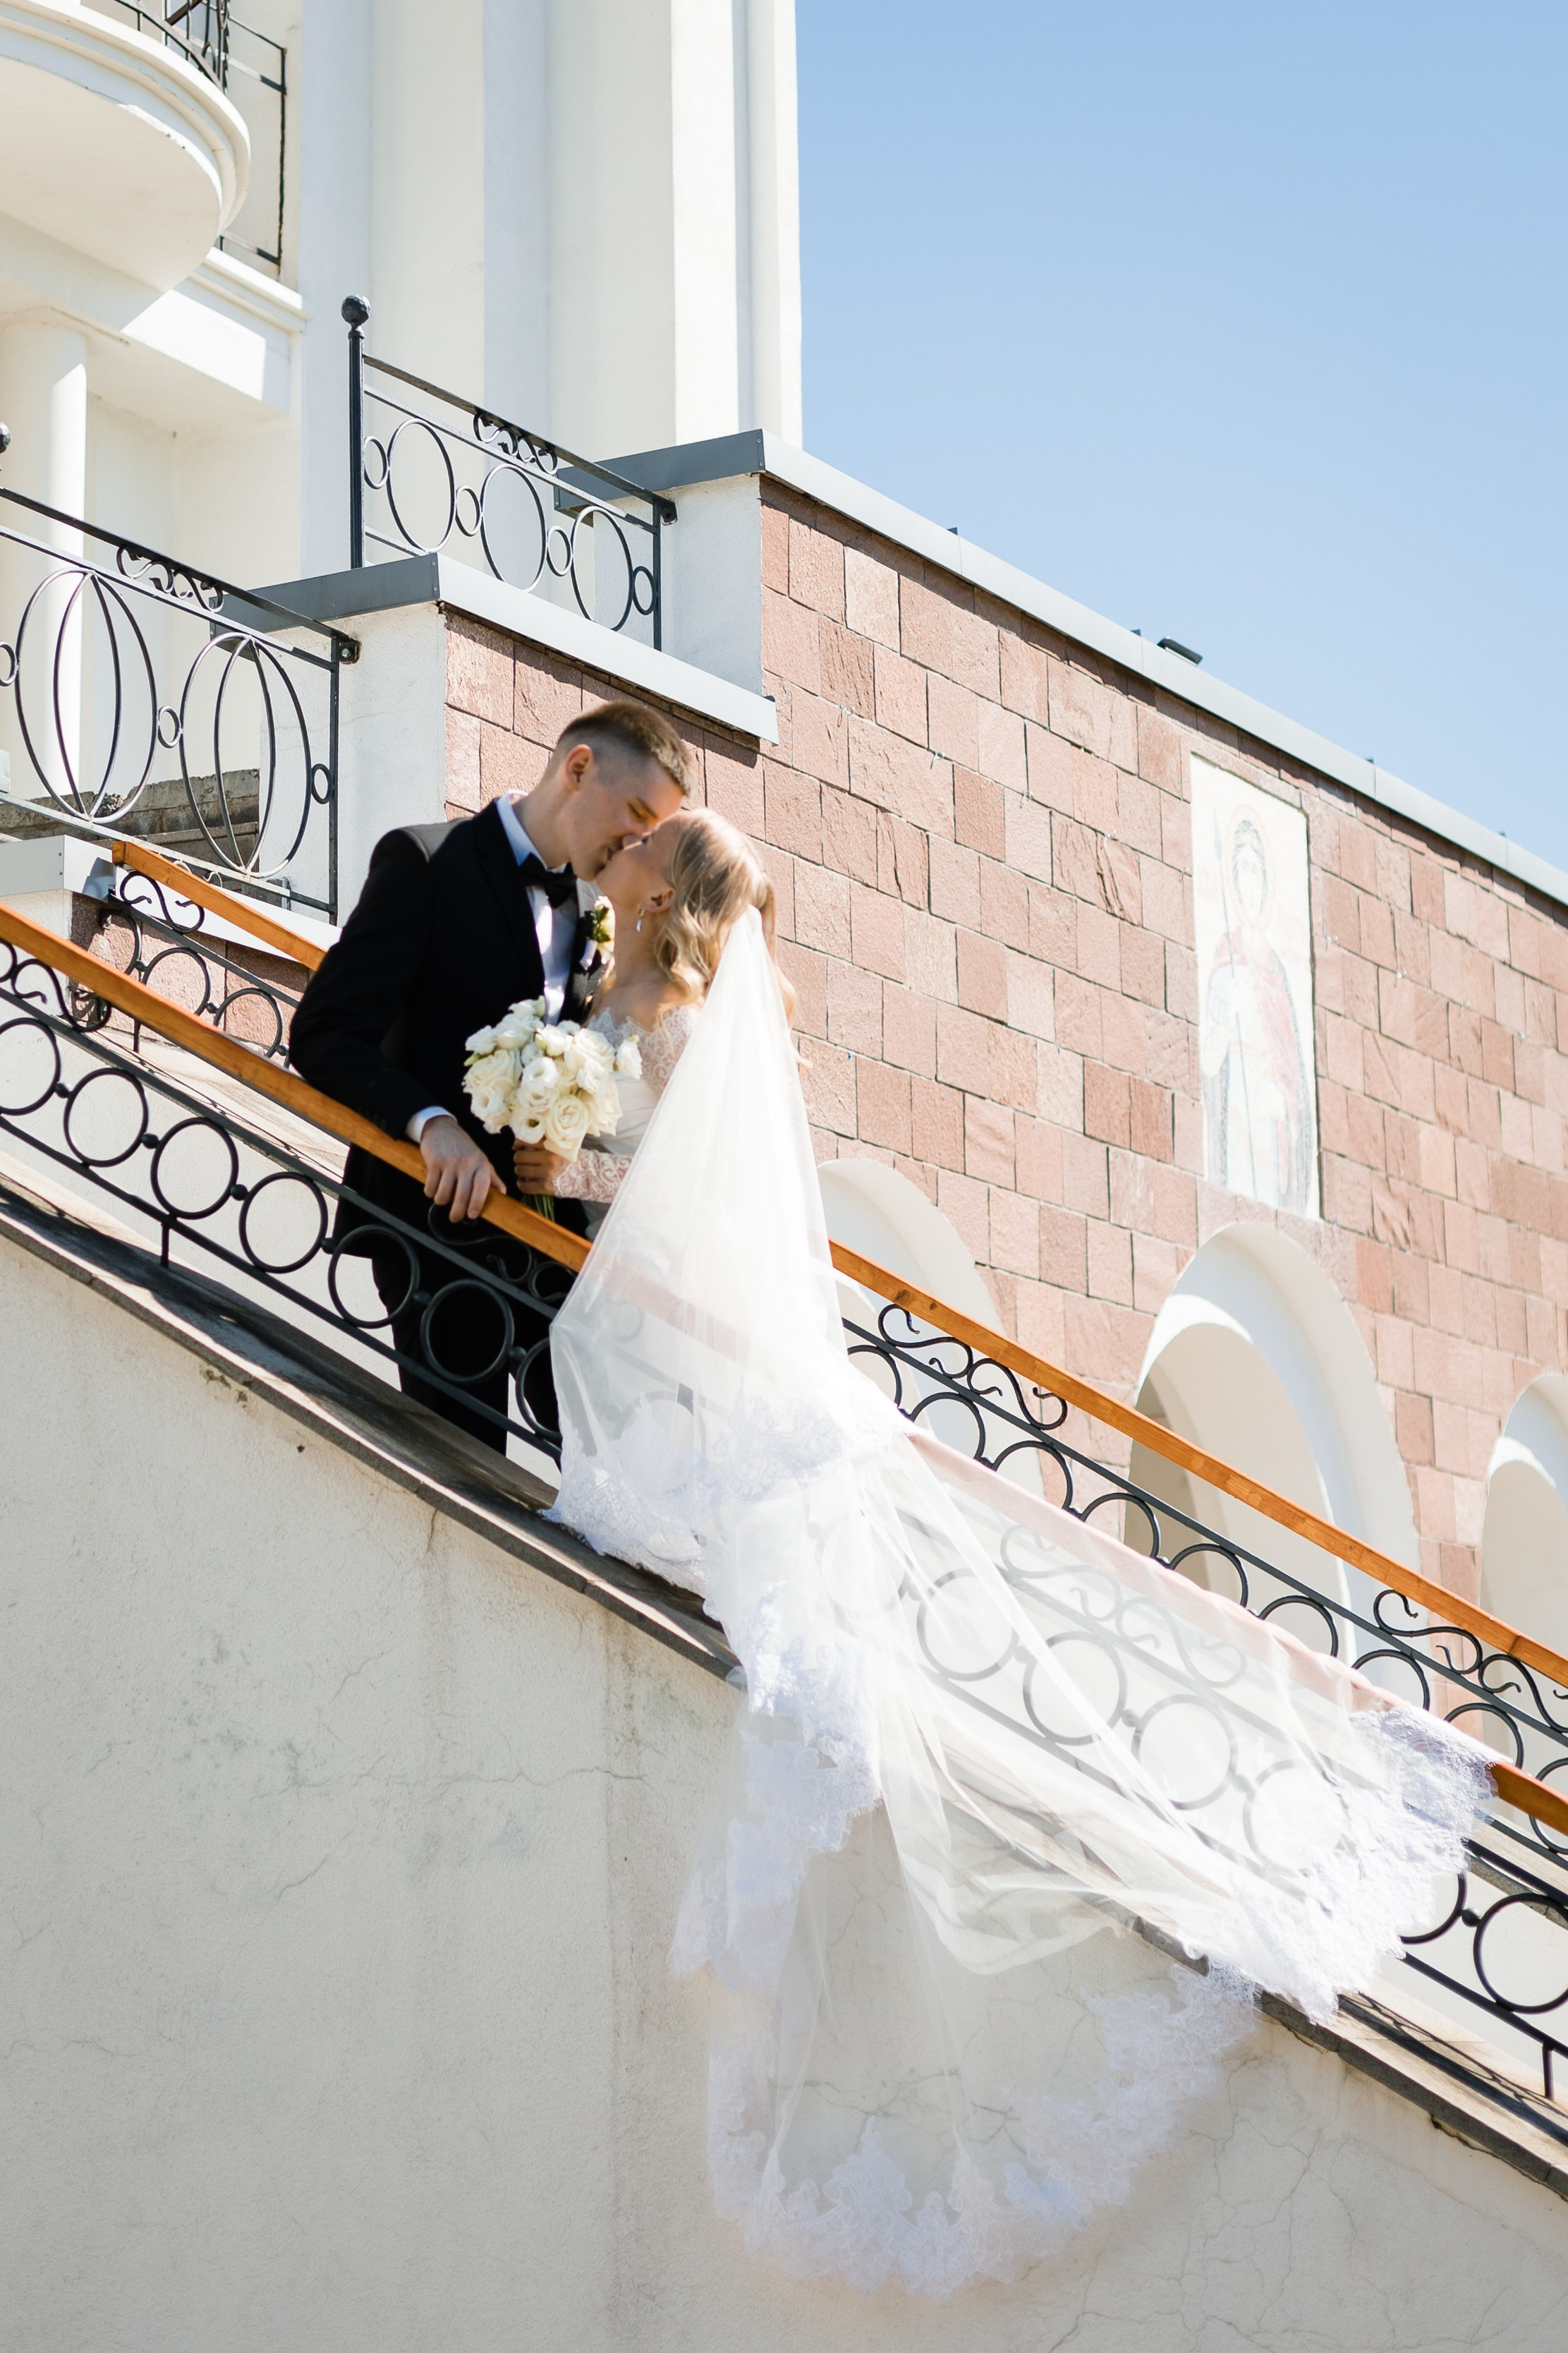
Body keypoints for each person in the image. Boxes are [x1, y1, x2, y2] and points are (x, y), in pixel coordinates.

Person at [541, 868, 1493, 2297]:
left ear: (666, 895)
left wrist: (547, 1125)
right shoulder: (691, 1009)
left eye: (638, 850)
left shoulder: (667, 1025)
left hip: (680, 1354)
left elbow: (652, 1197)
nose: (613, 866)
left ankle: (1316, 1787)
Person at [288, 699, 689, 1448]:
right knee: (464, 1466)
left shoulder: (595, 910)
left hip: (553, 1246)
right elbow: (323, 1032)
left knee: (606, 1460)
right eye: (636, 814)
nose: (637, 841)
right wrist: (430, 1124)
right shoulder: (425, 862)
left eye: (652, 831)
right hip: (432, 1231)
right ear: (578, 768)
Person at [511, 805, 788, 1235]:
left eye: (646, 841)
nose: (627, 837)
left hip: (654, 1261)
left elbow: (715, 1176)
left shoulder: (670, 1019)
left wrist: (575, 1174)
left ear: (660, 898)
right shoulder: (607, 983)